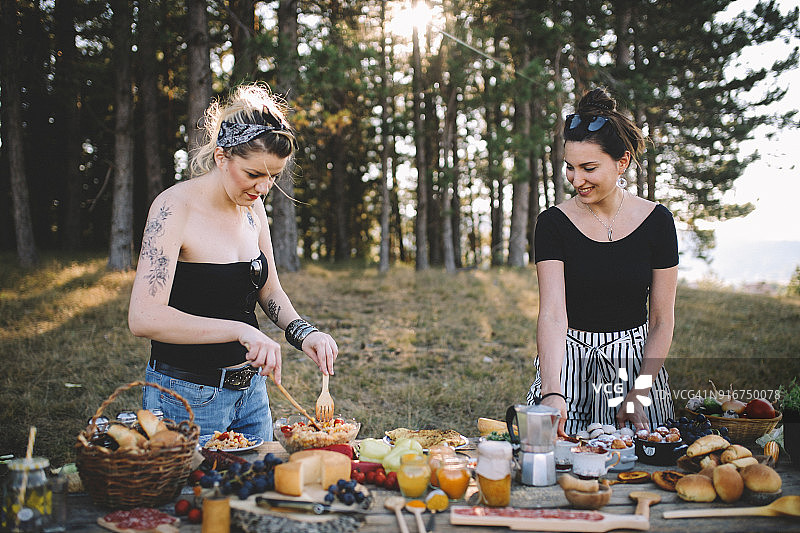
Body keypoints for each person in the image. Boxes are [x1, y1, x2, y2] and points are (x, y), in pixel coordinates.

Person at [128, 84, 338, 440]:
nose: (263, 188)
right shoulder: (173, 208)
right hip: (186, 397)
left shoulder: (253, 208)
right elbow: (144, 317)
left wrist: (304, 333)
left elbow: (270, 291)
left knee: (258, 494)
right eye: (254, 174)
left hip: (252, 393)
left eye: (273, 176)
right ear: (222, 157)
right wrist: (241, 331)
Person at [527, 88, 677, 436]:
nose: (576, 180)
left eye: (588, 168)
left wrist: (639, 393)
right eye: (569, 167)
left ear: (622, 162)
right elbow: (551, 313)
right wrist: (552, 390)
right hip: (568, 365)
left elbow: (661, 319)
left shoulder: (657, 222)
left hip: (636, 367)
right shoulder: (552, 224)